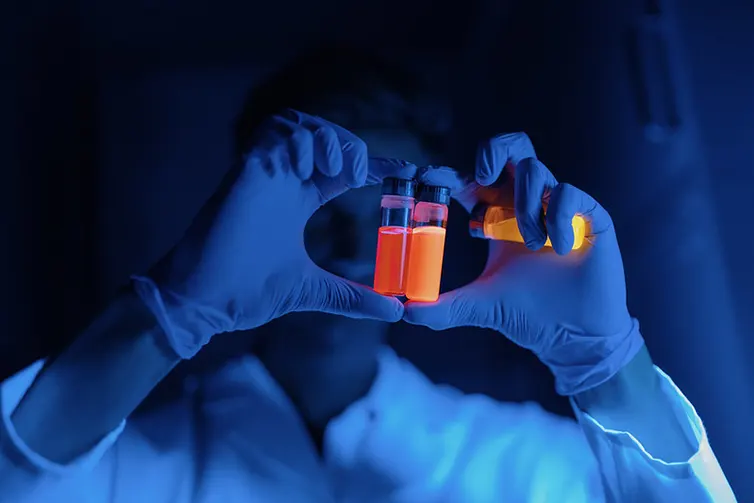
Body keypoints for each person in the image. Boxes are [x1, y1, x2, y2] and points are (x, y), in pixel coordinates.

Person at [0, 48, 735, 502]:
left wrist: (607, 365)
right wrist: (166, 314)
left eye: (386, 216)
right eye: (321, 211)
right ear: (238, 219)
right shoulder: (126, 465)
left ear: (431, 231)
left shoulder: (533, 464)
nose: (354, 243)